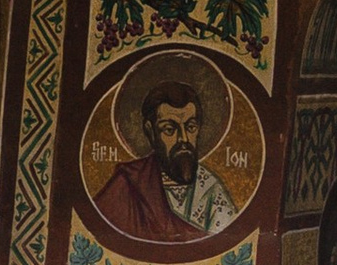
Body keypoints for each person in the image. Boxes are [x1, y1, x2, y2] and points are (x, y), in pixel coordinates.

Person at [92, 71, 240, 247]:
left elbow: (230, 244)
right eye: (170, 129)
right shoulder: (128, 183)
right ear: (150, 131)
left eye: (191, 127)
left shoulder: (211, 190)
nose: (183, 139)